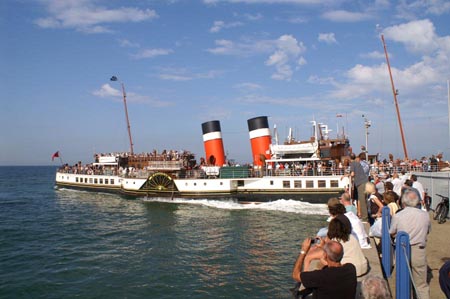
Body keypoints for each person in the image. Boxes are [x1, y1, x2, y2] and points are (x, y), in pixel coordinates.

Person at [390, 188, 431, 299]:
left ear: (403, 201)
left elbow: (392, 232)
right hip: (419, 249)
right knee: (421, 284)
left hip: (402, 249)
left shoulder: (398, 216)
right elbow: (427, 231)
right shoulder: (425, 215)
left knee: (402, 280)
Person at [292, 239, 357, 299]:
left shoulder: (321, 276)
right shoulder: (351, 269)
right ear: (342, 255)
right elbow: (334, 268)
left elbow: (295, 275)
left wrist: (303, 251)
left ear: (325, 255)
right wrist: (324, 248)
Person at [342, 153, 369, 221]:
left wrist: (346, 175)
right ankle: (366, 216)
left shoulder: (353, 163)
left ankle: (365, 219)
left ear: (349, 158)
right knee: (365, 200)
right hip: (365, 182)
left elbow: (353, 174)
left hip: (360, 184)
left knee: (362, 200)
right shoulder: (357, 163)